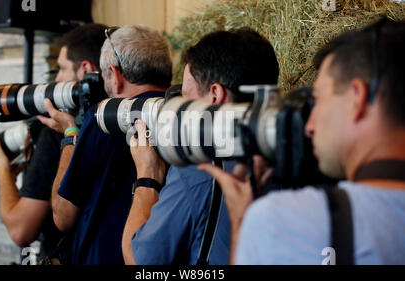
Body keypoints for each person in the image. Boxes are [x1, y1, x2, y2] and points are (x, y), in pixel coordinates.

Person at [200, 18, 405, 265]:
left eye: (317, 100)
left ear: (356, 98)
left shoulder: (284, 220)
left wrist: (243, 221)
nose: (309, 126)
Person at [122, 28, 280, 265]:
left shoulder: (200, 169)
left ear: (215, 94)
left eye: (186, 96)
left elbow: (139, 262)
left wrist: (147, 175)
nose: (180, 106)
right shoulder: (297, 154)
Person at [39, 24, 173, 265]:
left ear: (115, 73)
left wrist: (70, 133)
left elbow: (63, 217)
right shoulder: (186, 117)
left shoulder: (103, 118)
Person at [0, 23, 106, 262]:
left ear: (85, 69)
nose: (59, 79)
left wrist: (2, 170)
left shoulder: (60, 133)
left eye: (62, 68)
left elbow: (21, 230)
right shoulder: (120, 122)